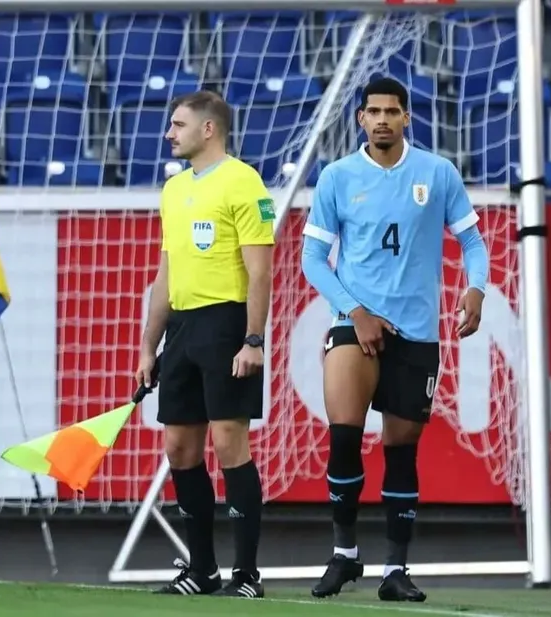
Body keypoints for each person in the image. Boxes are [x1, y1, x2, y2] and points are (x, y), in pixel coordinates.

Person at [300, 77, 489, 603]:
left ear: (407, 118)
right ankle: (343, 556)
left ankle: (395, 569)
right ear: (360, 118)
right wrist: (354, 310)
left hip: (418, 332)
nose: (382, 119)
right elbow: (312, 258)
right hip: (353, 327)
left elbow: (473, 242)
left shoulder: (437, 172)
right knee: (344, 437)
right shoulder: (337, 177)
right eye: (373, 112)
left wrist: (475, 289)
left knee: (401, 449)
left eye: (392, 111)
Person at [136, 90, 275, 599]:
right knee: (179, 447)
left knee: (228, 441)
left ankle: (246, 576)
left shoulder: (245, 182)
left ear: (208, 129)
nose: (169, 133)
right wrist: (149, 345)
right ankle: (202, 570)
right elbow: (165, 272)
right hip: (182, 329)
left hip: (226, 323)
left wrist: (253, 339)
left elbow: (260, 272)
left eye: (177, 124)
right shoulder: (173, 192)